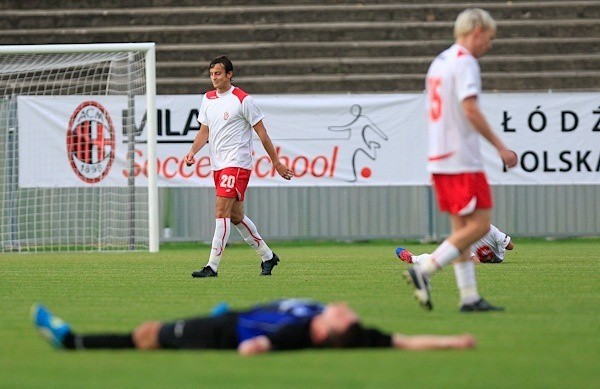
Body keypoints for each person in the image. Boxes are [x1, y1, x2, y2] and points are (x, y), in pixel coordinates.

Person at [405, 8, 518, 312]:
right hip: (462, 157)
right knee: (480, 224)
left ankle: (469, 297)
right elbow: (470, 109)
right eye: (490, 38)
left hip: (439, 156)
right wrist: (500, 147)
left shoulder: (439, 62)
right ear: (477, 31)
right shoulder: (465, 62)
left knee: (461, 231)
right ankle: (424, 270)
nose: (489, 45)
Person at [183, 55, 294, 278]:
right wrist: (193, 151)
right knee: (235, 216)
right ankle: (267, 256)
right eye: (211, 74)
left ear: (229, 75)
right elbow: (204, 132)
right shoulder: (208, 99)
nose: (214, 78)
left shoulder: (243, 100)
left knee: (220, 211)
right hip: (218, 164)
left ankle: (212, 266)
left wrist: (276, 162)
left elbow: (262, 133)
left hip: (237, 163)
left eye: (218, 74)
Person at [31, 299, 476, 354]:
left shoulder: (302, 333)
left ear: (325, 333)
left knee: (147, 334)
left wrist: (256, 347)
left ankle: (72, 342)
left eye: (343, 315)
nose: (344, 307)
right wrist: (454, 341)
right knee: (148, 334)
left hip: (221, 333)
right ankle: (76, 341)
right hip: (231, 315)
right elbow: (403, 341)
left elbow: (263, 344)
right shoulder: (358, 334)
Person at [396, 224, 514, 265]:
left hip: (481, 259)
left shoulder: (465, 232)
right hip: (497, 259)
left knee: (440, 257)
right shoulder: (490, 228)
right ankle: (412, 258)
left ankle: (413, 258)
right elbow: (511, 246)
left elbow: (476, 262)